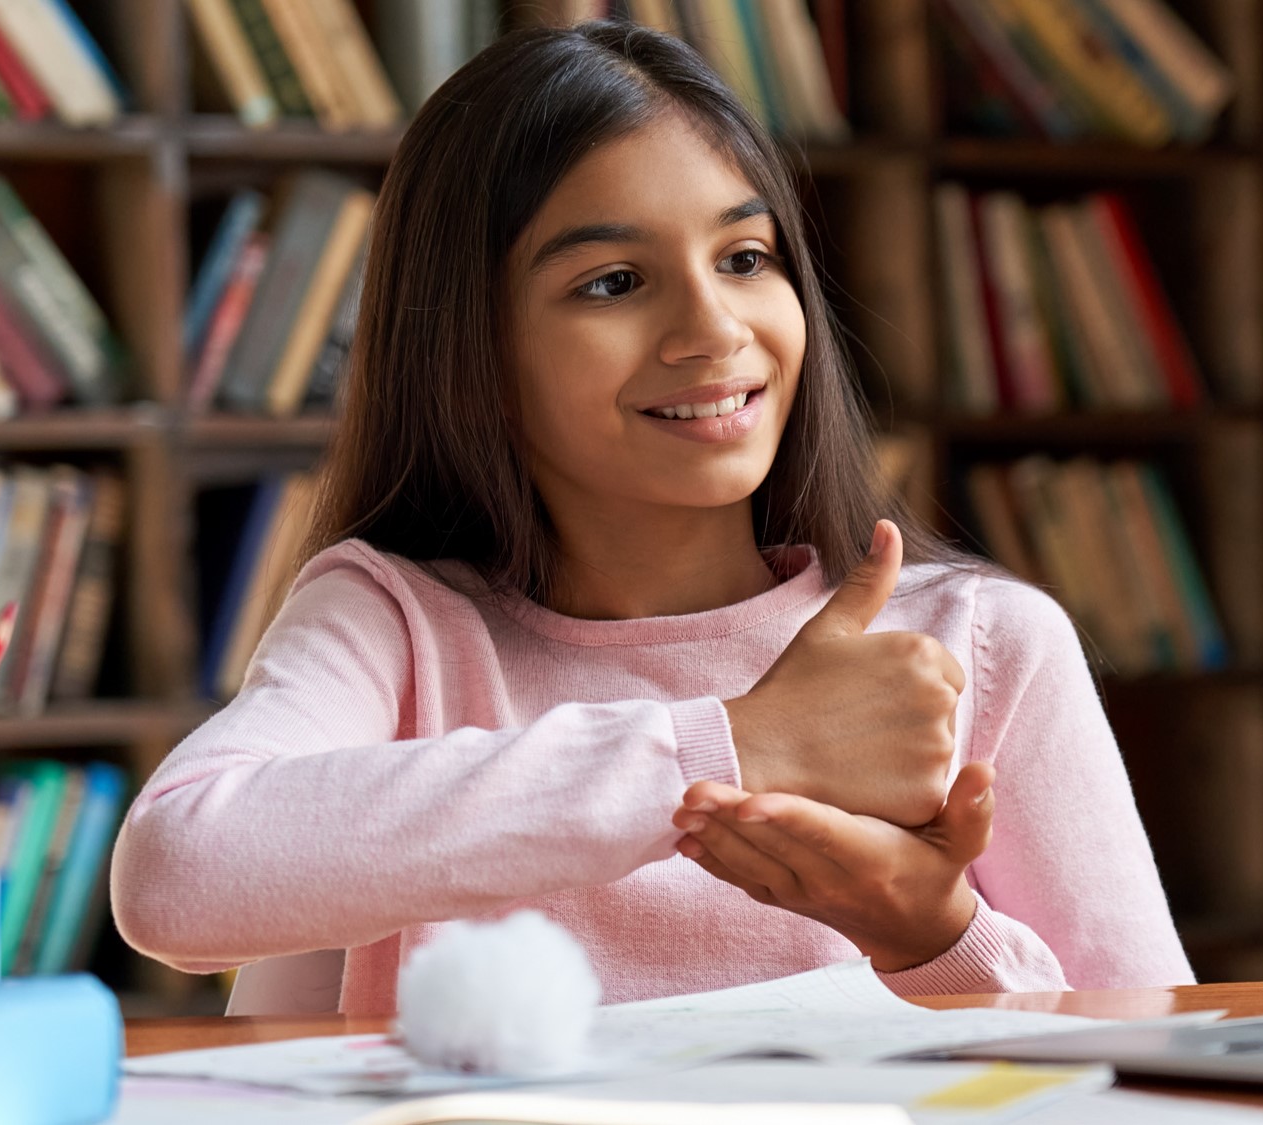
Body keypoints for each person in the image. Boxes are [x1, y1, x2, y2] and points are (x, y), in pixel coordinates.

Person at [110, 19, 1190, 1015]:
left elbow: (1159, 1075)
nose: (714, 330)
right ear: (472, 354)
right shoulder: (396, 624)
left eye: (745, 259)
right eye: (615, 281)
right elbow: (177, 877)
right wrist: (741, 745)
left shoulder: (980, 644)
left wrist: (929, 937)